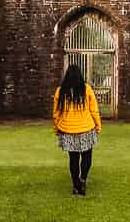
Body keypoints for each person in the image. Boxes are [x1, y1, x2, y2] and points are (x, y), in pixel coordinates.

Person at [52, 63, 102, 196]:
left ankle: (76, 185)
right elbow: (94, 110)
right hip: (86, 128)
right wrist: (98, 125)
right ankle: (83, 180)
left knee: (73, 158)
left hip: (68, 129)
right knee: (87, 157)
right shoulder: (87, 89)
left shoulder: (60, 91)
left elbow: (57, 113)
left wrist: (57, 128)